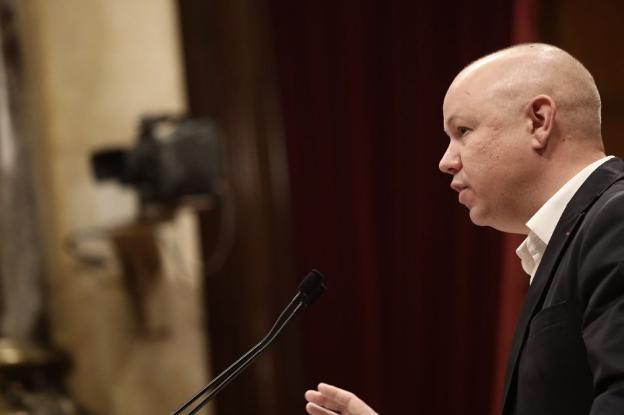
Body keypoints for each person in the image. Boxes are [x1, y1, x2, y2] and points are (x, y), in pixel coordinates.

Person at [304, 43, 624, 415]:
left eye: (463, 130)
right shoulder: (579, 233)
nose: (445, 161)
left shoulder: (614, 220)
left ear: (539, 121)